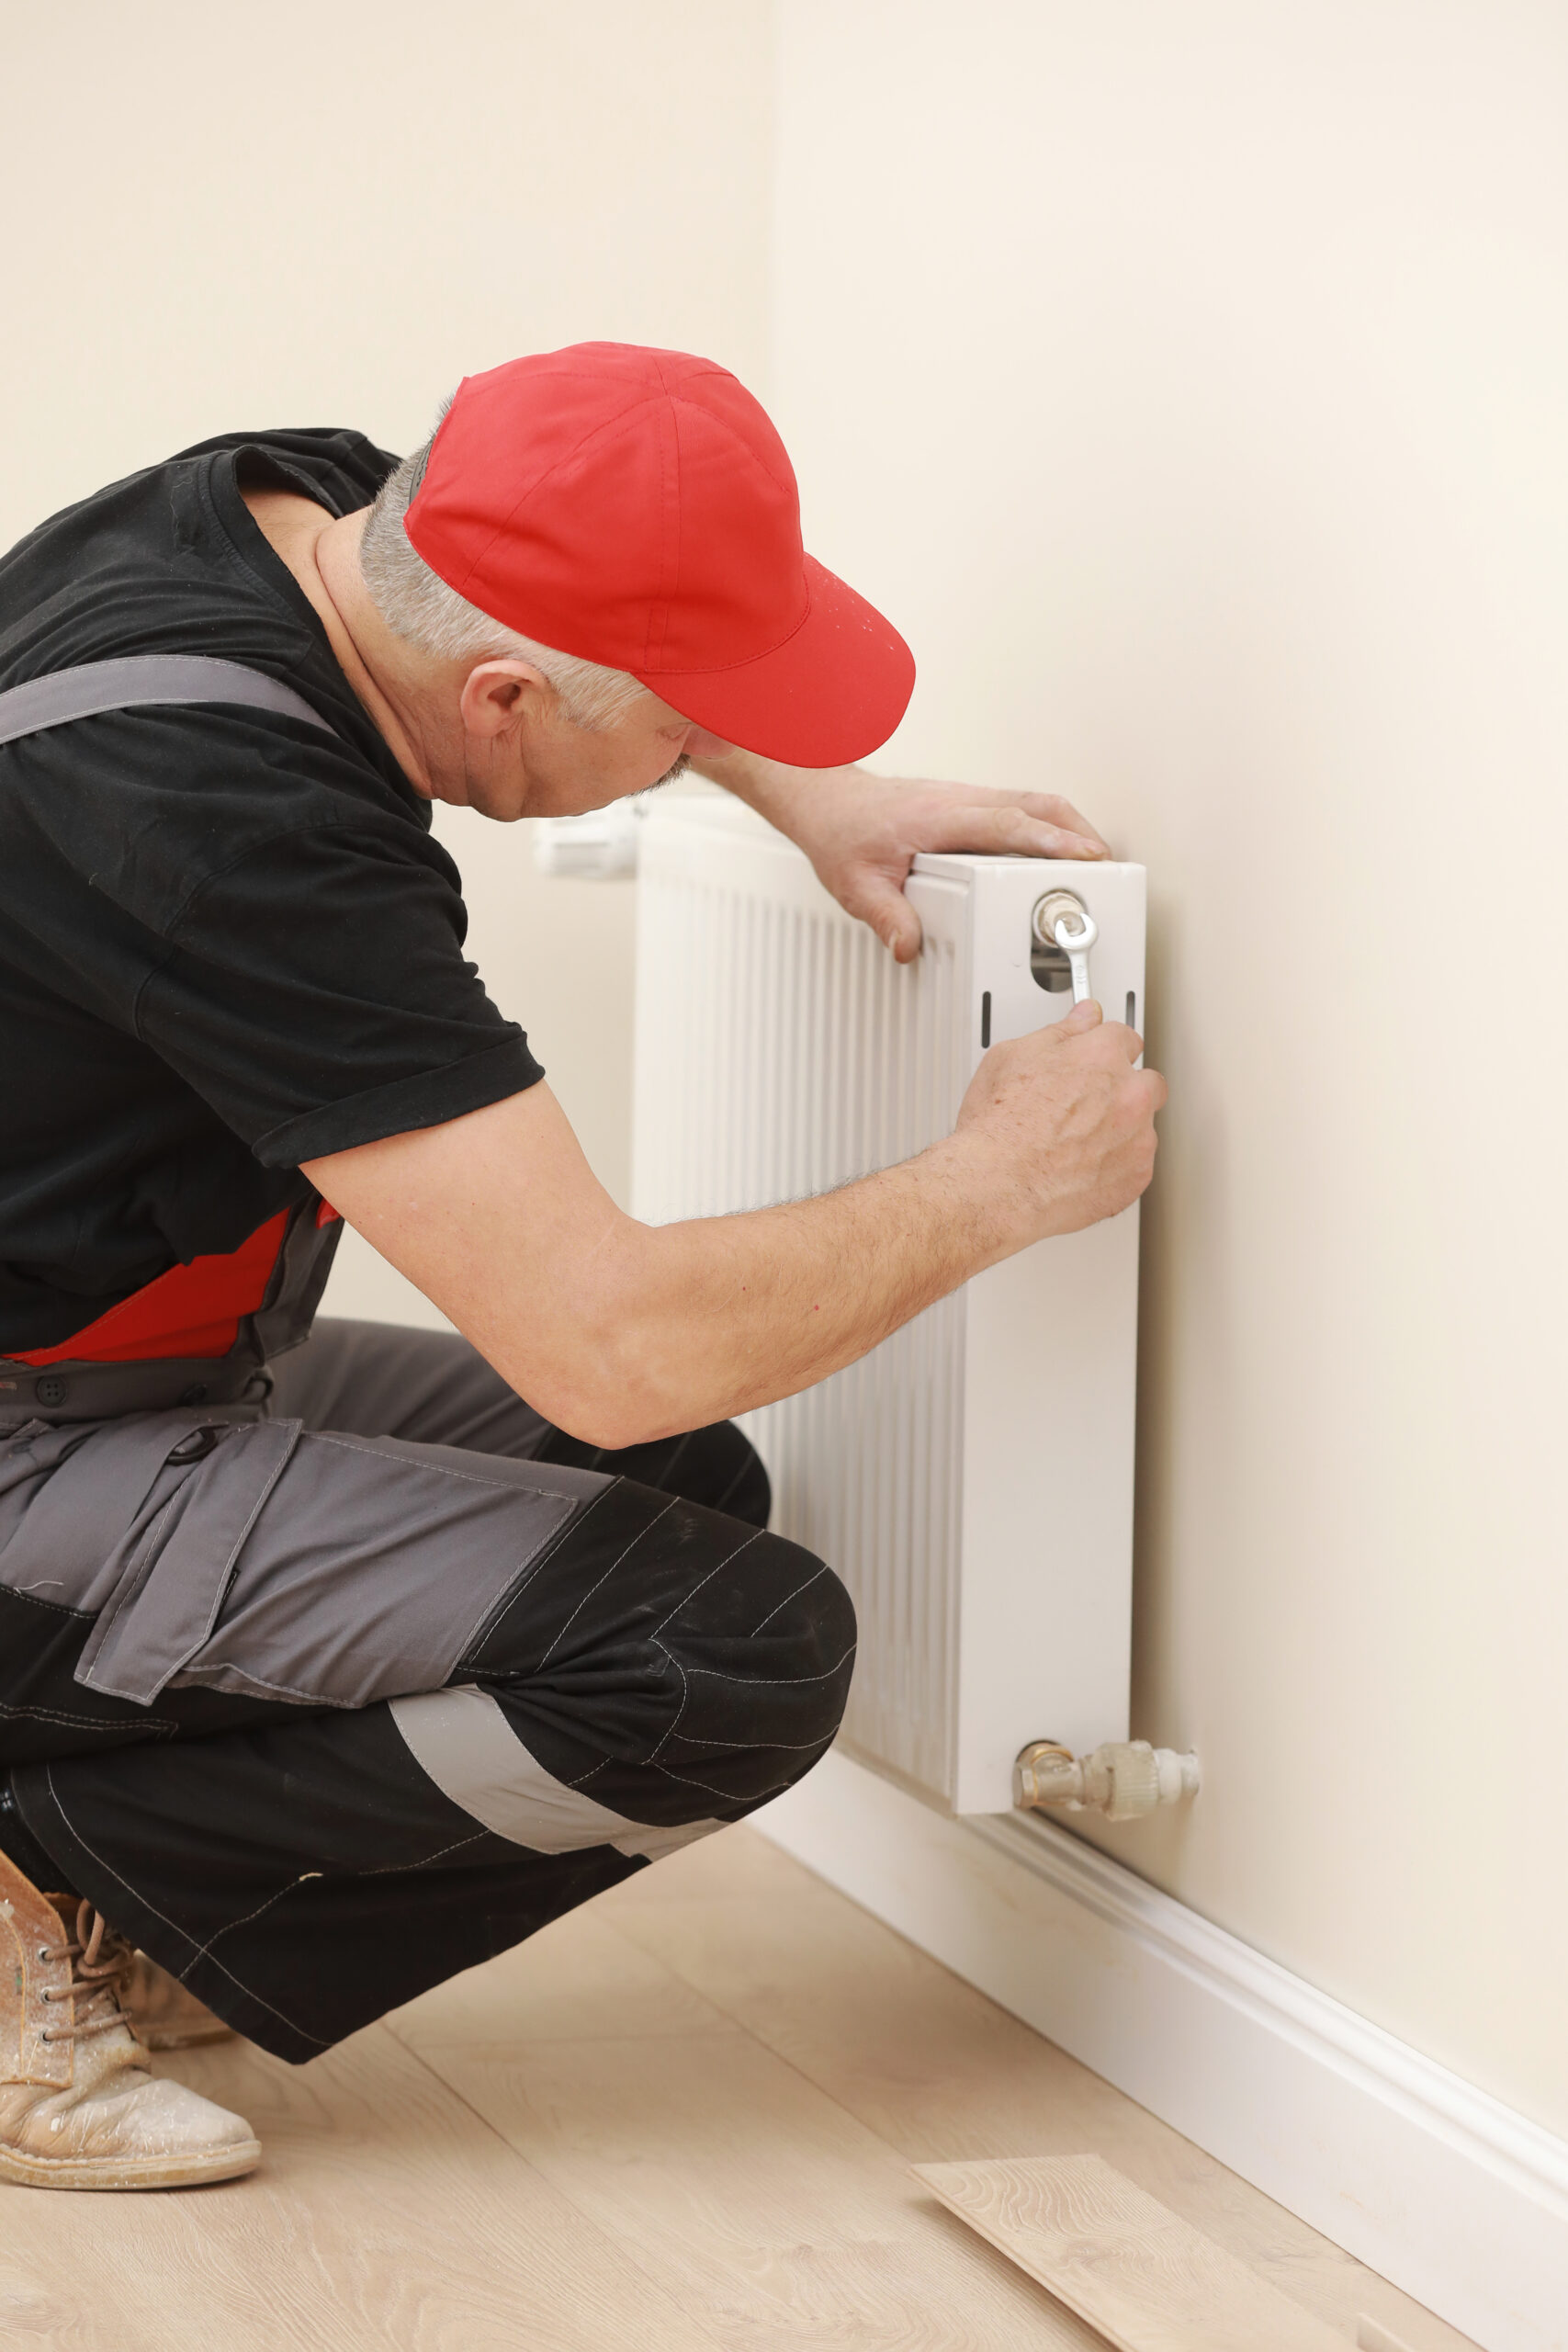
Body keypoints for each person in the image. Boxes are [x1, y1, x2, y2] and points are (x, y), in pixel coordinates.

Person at [0, 343, 1164, 2189]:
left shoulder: (279, 514)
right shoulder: (243, 831)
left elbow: (515, 582)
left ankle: (107, 1876)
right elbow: (606, 1341)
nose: (694, 752)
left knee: (671, 1489)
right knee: (723, 1653)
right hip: (29, 1427)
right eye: (677, 721)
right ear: (501, 696)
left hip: (109, 1358)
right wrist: (989, 1183)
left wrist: (811, 793)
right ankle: (38, 1884)